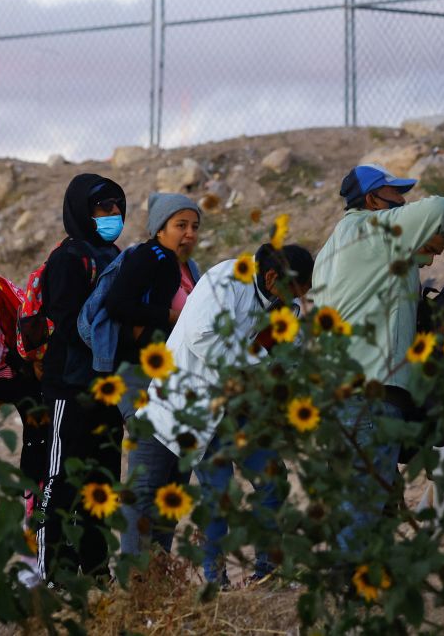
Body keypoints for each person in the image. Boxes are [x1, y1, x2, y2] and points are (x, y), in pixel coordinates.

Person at [310, 164, 444, 555]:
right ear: (372, 200)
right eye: (396, 197)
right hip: (372, 395)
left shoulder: (331, 250)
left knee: (367, 505)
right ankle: (354, 599)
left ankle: (364, 596)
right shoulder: (372, 229)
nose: (403, 204)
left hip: (336, 398)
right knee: (366, 507)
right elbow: (439, 209)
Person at [133, 243, 314, 583]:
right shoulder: (227, 279)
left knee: (273, 479)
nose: (295, 301)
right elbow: (202, 336)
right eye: (294, 291)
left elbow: (279, 353)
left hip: (241, 404)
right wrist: (254, 364)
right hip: (198, 404)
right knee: (218, 496)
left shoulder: (285, 305)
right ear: (273, 277)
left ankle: (268, 572)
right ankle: (216, 583)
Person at [35, 173, 127, 586]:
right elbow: (67, 323)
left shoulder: (114, 254)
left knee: (102, 482)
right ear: (81, 212)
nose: (112, 215)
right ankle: (49, 569)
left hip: (106, 387)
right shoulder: (69, 258)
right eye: (102, 208)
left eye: (115, 207)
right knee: (60, 479)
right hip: (70, 385)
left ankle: (95, 568)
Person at [107, 192, 204, 556]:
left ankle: (159, 578)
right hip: (140, 379)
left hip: (174, 383)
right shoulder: (148, 256)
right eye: (181, 225)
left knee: (173, 482)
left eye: (194, 226)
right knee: (147, 482)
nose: (189, 234)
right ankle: (133, 582)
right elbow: (118, 304)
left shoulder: (188, 269)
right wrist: (168, 317)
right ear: (159, 229)